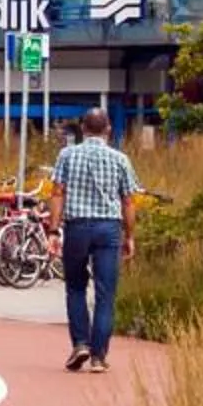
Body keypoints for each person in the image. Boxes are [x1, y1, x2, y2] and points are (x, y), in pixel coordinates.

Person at [51, 107, 140, 372]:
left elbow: (57, 193)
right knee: (105, 293)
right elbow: (128, 200)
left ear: (83, 128)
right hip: (108, 229)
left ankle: (80, 343)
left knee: (76, 287)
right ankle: (99, 356)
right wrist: (130, 235)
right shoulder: (120, 159)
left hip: (77, 227)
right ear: (108, 129)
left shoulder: (66, 155)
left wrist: (53, 230)